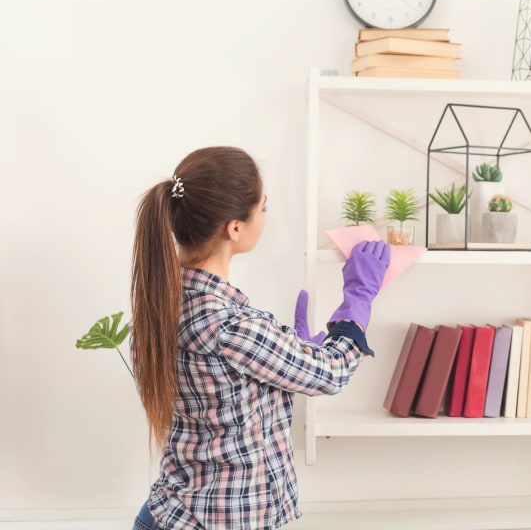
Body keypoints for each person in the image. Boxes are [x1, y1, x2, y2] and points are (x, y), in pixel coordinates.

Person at [129, 146, 390, 529]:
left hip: (169, 513)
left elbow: (222, 403)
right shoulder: (231, 325)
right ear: (234, 228)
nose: (265, 218)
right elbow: (331, 373)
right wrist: (357, 301)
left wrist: (294, 354)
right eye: (263, 208)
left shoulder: (153, 314)